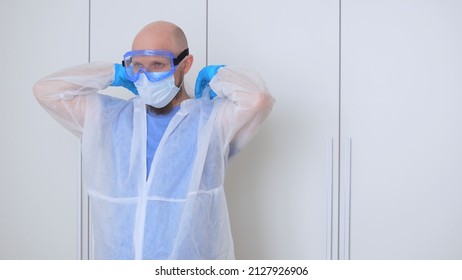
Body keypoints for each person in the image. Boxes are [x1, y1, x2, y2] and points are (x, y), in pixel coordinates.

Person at [33, 21, 274, 260]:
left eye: (158, 64)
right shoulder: (109, 119)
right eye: (138, 66)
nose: (146, 76)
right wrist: (113, 73)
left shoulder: (211, 122)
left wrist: (218, 76)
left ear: (185, 64)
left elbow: (258, 99)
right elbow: (46, 90)